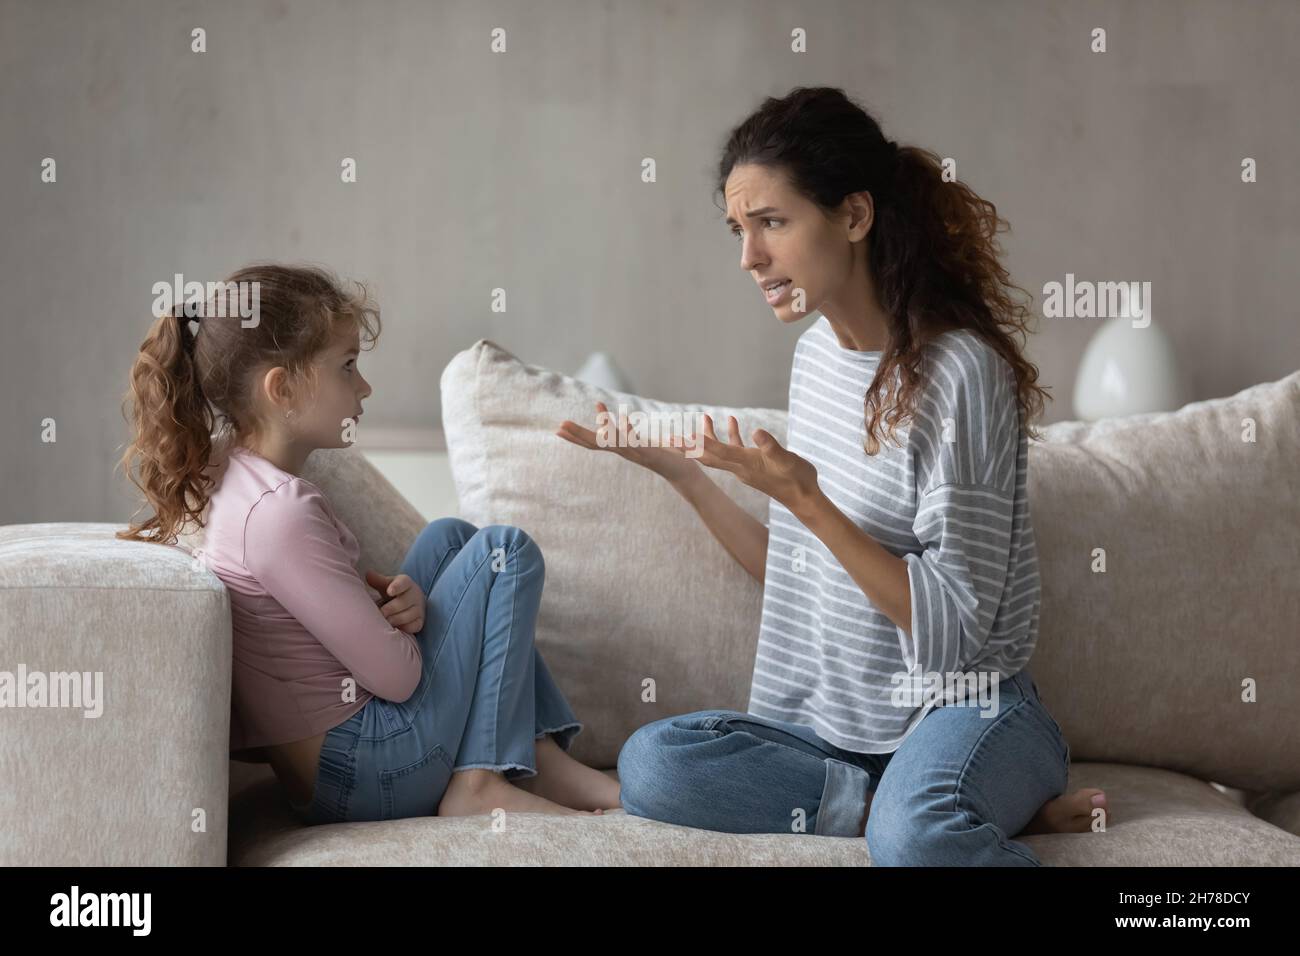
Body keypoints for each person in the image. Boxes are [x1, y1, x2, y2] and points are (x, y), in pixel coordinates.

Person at [557, 87, 1107, 864]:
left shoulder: (961, 374)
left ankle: (930, 811)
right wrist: (688, 478)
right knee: (655, 762)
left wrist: (804, 498)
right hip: (836, 738)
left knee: (914, 842)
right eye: (738, 230)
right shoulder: (815, 358)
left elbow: (952, 637)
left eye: (772, 223)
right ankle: (911, 809)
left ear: (854, 216)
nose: (748, 258)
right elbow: (799, 576)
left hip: (967, 711)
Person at [117, 263, 621, 824]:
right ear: (281, 389)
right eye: (348, 366)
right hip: (369, 769)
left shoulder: (230, 472)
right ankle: (477, 784)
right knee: (504, 552)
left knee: (448, 539)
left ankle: (534, 756)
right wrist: (407, 623)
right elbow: (398, 678)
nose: (365, 387)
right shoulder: (280, 512)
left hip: (338, 770)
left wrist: (395, 609)